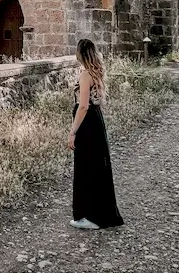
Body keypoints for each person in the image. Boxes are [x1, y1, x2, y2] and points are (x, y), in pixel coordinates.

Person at [67, 38, 124, 230]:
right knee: (98, 166)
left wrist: (73, 131)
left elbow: (83, 106)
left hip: (87, 123)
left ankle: (90, 216)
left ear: (80, 54)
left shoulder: (85, 75)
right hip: (97, 121)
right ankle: (101, 213)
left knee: (86, 167)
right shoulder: (96, 72)